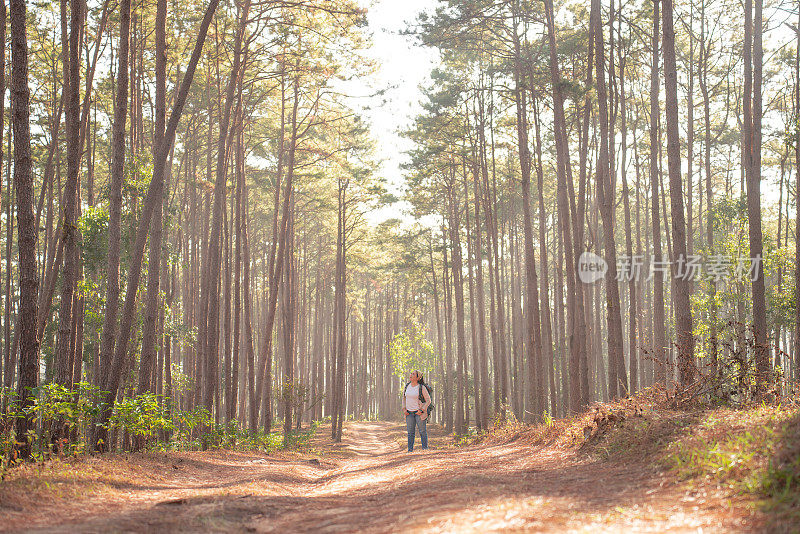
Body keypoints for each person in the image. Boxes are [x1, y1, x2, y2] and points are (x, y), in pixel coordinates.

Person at [403, 370, 431, 452]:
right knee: (410, 433)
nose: (411, 375)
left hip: (419, 413)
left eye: (413, 374)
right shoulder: (407, 386)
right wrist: (404, 409)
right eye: (411, 373)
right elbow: (404, 398)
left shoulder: (421, 387)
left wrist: (422, 410)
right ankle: (410, 450)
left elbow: (428, 400)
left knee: (422, 431)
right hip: (409, 413)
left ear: (418, 378)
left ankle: (425, 449)